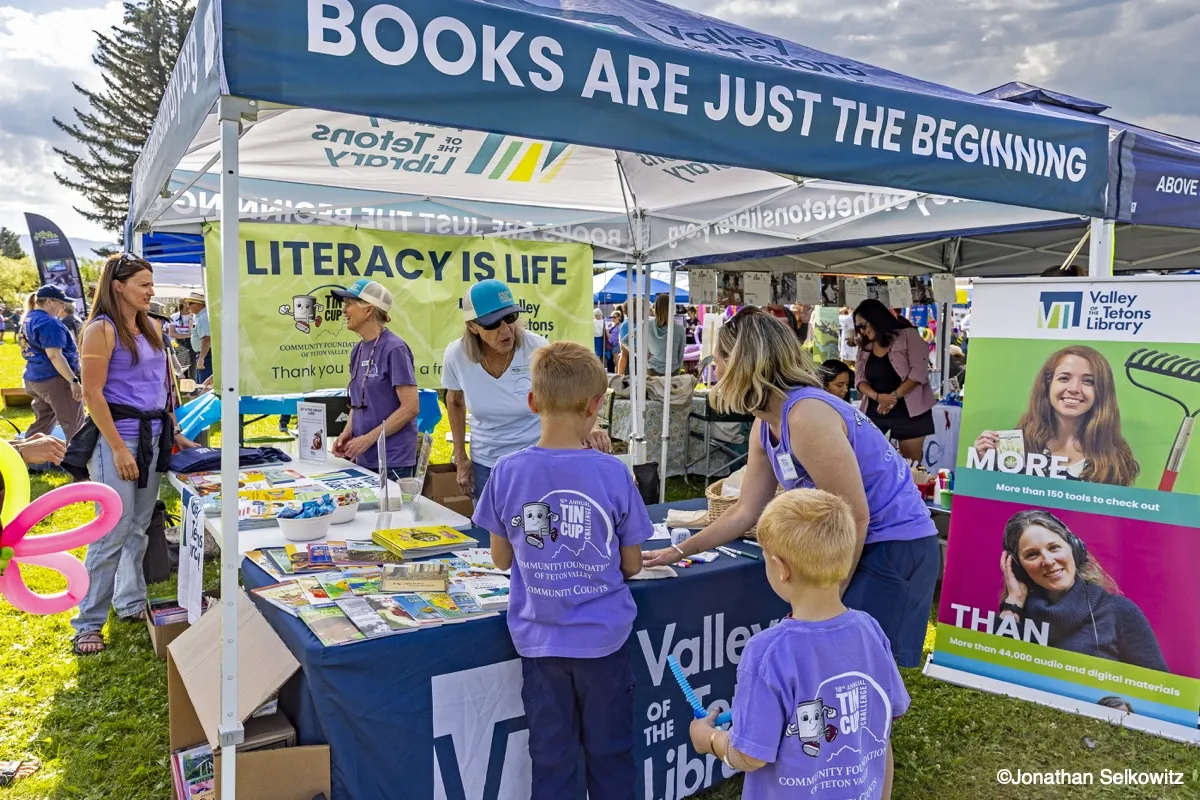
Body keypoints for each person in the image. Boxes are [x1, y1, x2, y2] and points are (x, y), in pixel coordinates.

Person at [643, 307, 939, 667]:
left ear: (740, 362)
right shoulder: (765, 423)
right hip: (862, 543)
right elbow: (745, 510)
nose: (714, 369)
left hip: (893, 545)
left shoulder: (805, 417)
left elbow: (855, 517)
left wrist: (829, 601)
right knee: (834, 668)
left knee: (862, 672)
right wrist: (678, 552)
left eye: (718, 358)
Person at [475, 340, 651, 800]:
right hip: (604, 644)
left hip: (541, 647)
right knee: (611, 756)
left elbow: (500, 559)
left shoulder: (506, 471)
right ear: (597, 405)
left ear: (532, 402)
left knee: (552, 761)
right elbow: (632, 562)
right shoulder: (613, 473)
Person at [689, 490, 907, 799]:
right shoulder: (870, 630)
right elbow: (883, 731)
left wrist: (707, 738)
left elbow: (750, 755)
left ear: (781, 568)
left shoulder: (767, 652)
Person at [70, 254, 198, 656]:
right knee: (112, 531)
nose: (151, 290)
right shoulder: (100, 330)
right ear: (118, 285)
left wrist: (174, 431)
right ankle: (88, 622)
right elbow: (92, 394)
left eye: (151, 282)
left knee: (139, 527)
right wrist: (120, 448)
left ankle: (129, 601)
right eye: (143, 283)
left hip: (154, 438)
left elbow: (164, 389)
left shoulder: (151, 328)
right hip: (118, 443)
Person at [444, 280, 611, 502]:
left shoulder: (537, 347)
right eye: (493, 324)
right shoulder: (456, 355)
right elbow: (455, 402)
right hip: (486, 462)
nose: (506, 330)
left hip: (535, 460)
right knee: (491, 533)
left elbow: (568, 391)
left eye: (510, 319)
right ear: (473, 326)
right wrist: (461, 458)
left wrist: (593, 425)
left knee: (540, 529)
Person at [998, 510, 1166, 671]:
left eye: (1054, 547)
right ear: (1018, 567)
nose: (1048, 561)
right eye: (1032, 555)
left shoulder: (1120, 611)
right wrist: (1013, 602)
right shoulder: (1017, 614)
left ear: (1074, 548)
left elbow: (1158, 689)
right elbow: (997, 670)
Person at [973, 346, 1138, 485]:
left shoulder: (1116, 456)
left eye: (1088, 381)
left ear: (1101, 392)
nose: (1074, 388)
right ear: (1048, 385)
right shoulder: (1016, 446)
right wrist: (985, 463)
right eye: (1064, 378)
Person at [329, 279, 419, 480]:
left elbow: (410, 407)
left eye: (349, 304)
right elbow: (358, 403)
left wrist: (368, 440)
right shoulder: (358, 350)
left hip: (393, 460)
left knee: (392, 512)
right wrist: (347, 433)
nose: (344, 311)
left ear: (368, 310)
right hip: (364, 456)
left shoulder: (395, 349)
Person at [853, 299, 936, 463]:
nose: (861, 331)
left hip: (910, 412)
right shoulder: (865, 346)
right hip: (875, 409)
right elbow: (859, 380)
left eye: (863, 326)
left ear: (876, 319)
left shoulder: (908, 335)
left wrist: (892, 398)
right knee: (869, 461)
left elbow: (918, 373)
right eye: (858, 328)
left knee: (910, 465)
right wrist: (878, 397)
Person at [19, 285, 85, 443]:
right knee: (74, 425)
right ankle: (79, 465)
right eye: (60, 302)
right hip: (54, 378)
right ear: (48, 301)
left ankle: (30, 461)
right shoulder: (49, 322)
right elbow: (55, 355)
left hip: (35, 377)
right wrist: (73, 381)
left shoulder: (29, 318)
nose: (63, 306)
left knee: (43, 422)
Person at [623, 293, 685, 377]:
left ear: (655, 308)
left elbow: (625, 340)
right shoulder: (679, 329)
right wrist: (677, 371)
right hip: (672, 371)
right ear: (671, 309)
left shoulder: (646, 325)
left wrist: (640, 354)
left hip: (652, 369)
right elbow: (680, 355)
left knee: (651, 390)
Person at [188, 292, 211, 384]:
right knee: (203, 383)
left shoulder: (203, 317)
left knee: (205, 385)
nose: (189, 306)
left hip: (206, 355)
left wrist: (201, 359)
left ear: (197, 304)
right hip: (205, 354)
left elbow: (207, 339)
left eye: (190, 303)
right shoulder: (201, 317)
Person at [605, 308, 623, 372]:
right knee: (610, 362)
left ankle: (618, 374)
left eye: (614, 317)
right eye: (611, 317)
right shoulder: (609, 324)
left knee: (617, 361)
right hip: (609, 345)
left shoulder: (620, 325)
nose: (613, 318)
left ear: (619, 318)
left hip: (616, 344)